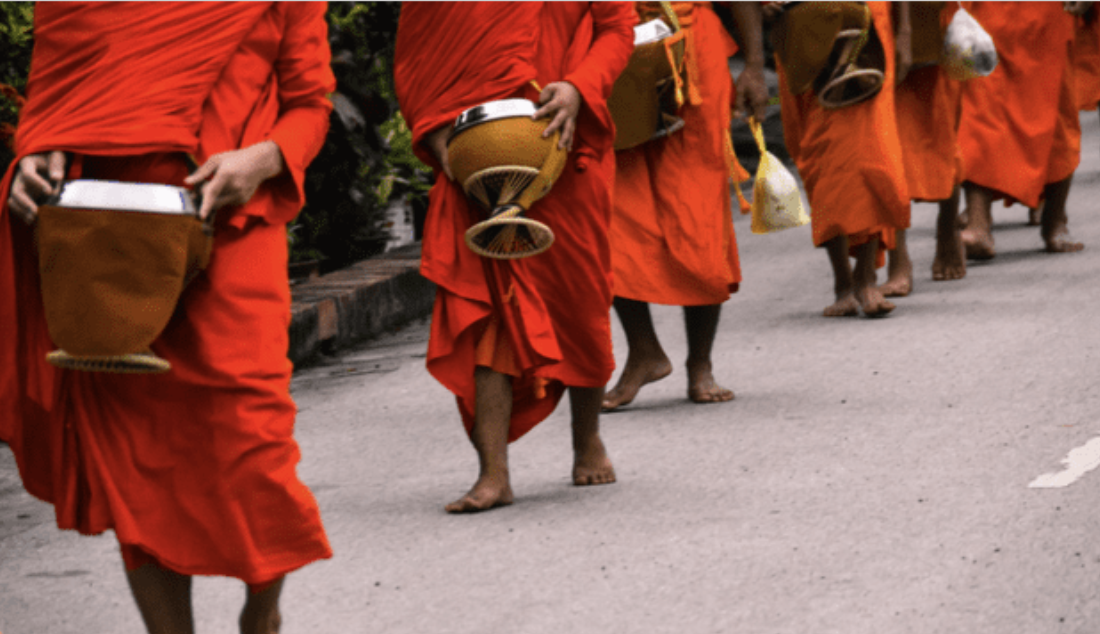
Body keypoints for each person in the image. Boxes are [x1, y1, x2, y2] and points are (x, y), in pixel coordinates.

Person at [1, 4, 335, 633]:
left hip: (231, 227)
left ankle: (262, 614)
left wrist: (261, 160)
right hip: (107, 231)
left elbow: (311, 103)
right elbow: (57, 99)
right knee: (137, 455)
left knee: (253, 437)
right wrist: (34, 152)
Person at [393, 3, 635, 513]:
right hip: (475, 150)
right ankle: (493, 473)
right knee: (489, 310)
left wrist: (578, 87)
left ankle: (586, 438)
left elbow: (616, 26)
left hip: (564, 145)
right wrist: (437, 136)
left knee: (579, 296)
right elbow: (417, 53)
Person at [601, 2, 768, 411]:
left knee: (697, 208)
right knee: (612, 214)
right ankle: (644, 351)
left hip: (695, 56)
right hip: (617, 52)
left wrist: (754, 65)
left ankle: (700, 362)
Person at [772, 1, 910, 317]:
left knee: (870, 152)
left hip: (861, 25)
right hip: (798, 25)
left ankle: (865, 277)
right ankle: (842, 282)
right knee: (819, 158)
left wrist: (905, 31)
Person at [957, 1, 1087, 259]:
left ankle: (1055, 218)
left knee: (1056, 107)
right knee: (980, 104)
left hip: (1048, 11)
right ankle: (978, 222)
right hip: (986, 9)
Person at [882, 1, 967, 291]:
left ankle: (947, 225)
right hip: (876, 17)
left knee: (939, 132)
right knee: (887, 144)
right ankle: (898, 259)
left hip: (928, 20)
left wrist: (905, 30)